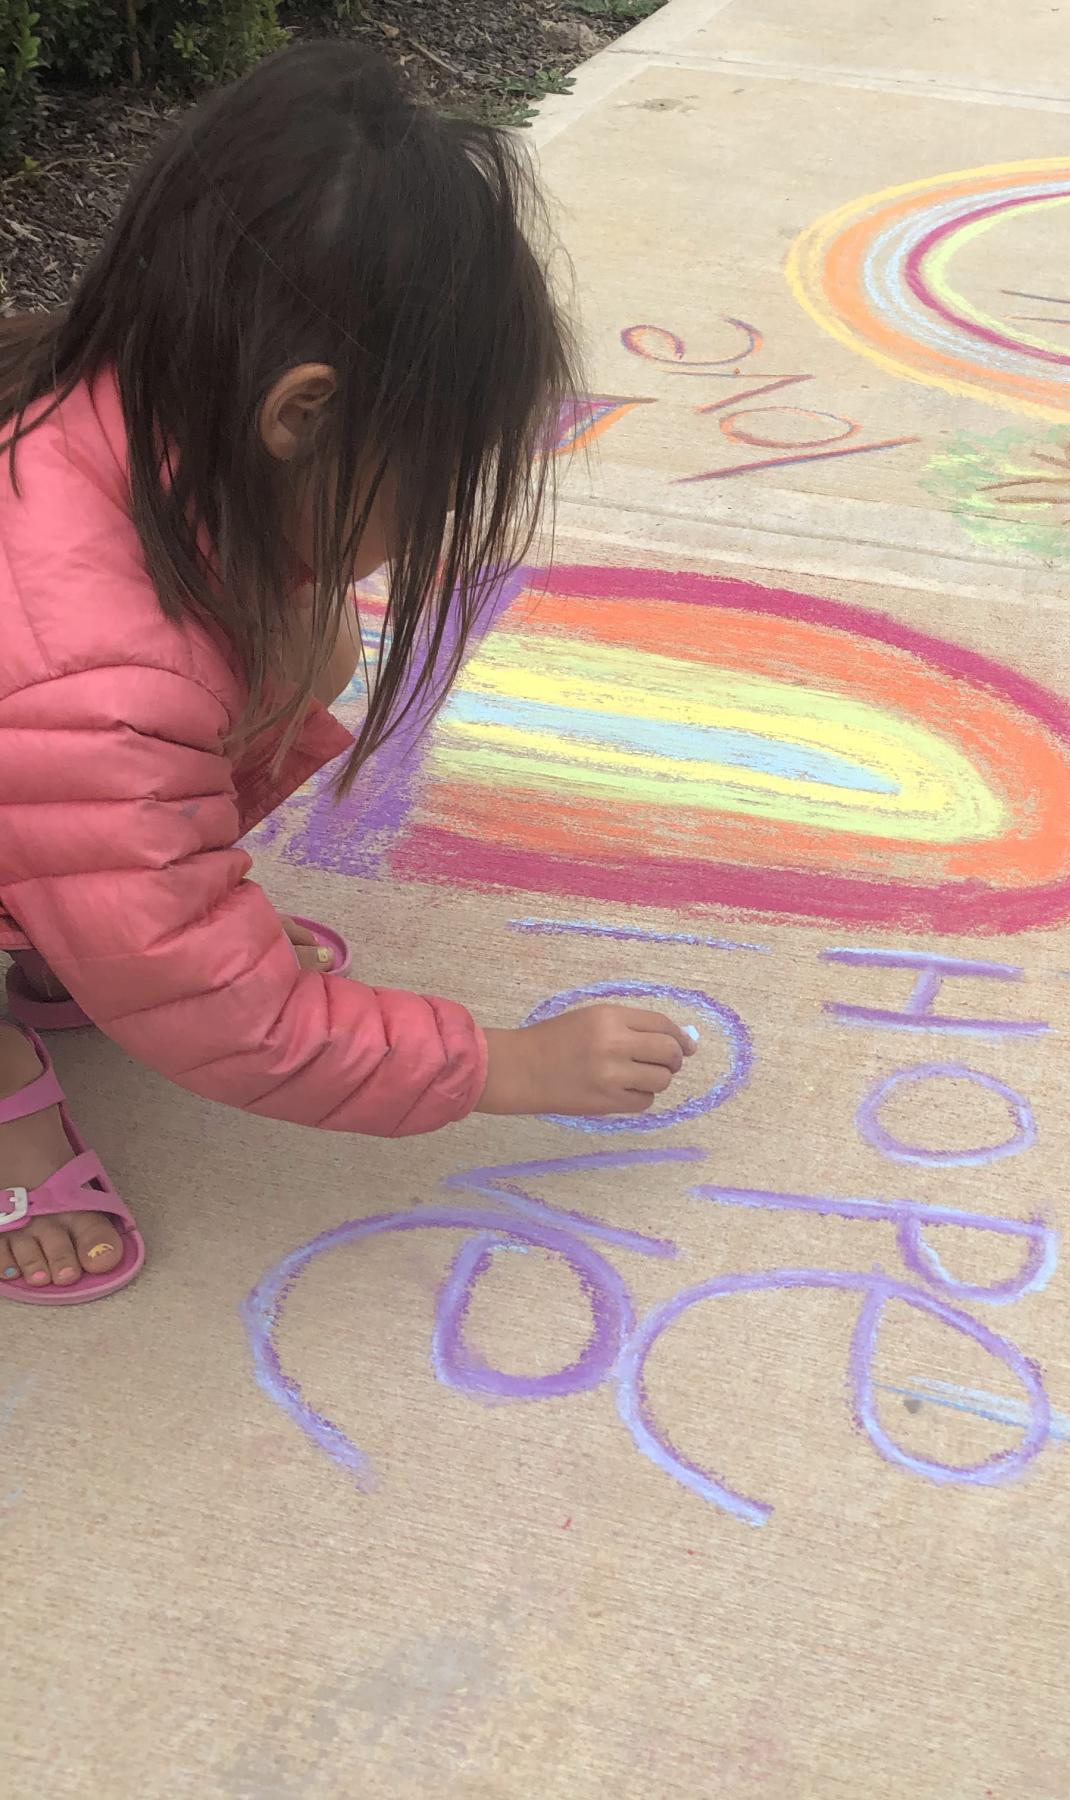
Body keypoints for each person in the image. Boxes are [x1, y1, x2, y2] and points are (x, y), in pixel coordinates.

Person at [0, 42, 690, 1304]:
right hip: (52, 724)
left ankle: (70, 919)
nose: (414, 540)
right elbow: (235, 1025)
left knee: (292, 648)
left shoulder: (107, 389)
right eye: (427, 493)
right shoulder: (96, 679)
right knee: (204, 743)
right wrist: (504, 1065)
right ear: (300, 416)